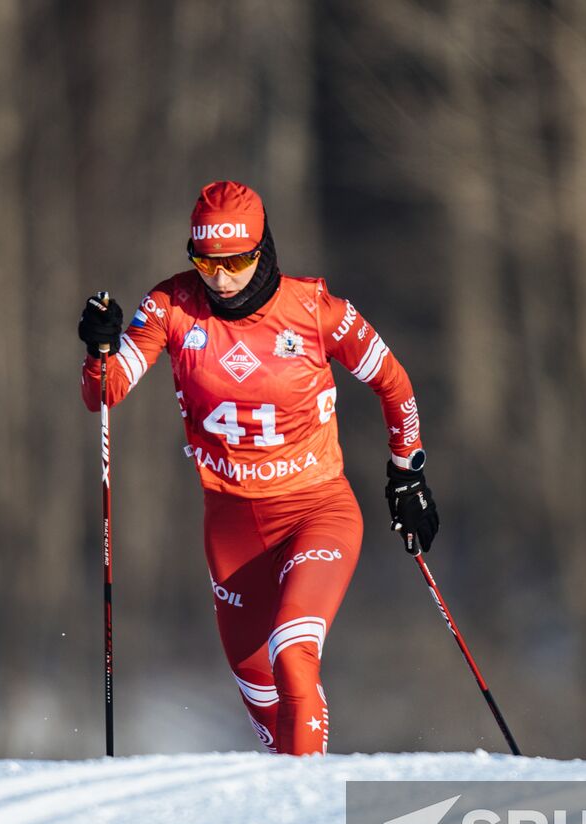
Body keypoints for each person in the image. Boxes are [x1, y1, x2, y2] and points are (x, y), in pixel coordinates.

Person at [79, 180, 438, 755]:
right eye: (206, 263)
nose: (221, 280)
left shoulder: (316, 312)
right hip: (231, 528)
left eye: (238, 262)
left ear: (263, 250)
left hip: (317, 509)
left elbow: (393, 383)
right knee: (260, 694)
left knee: (293, 652)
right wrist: (98, 350)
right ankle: (284, 823)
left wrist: (408, 472)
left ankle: (308, 810)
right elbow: (106, 391)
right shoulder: (171, 306)